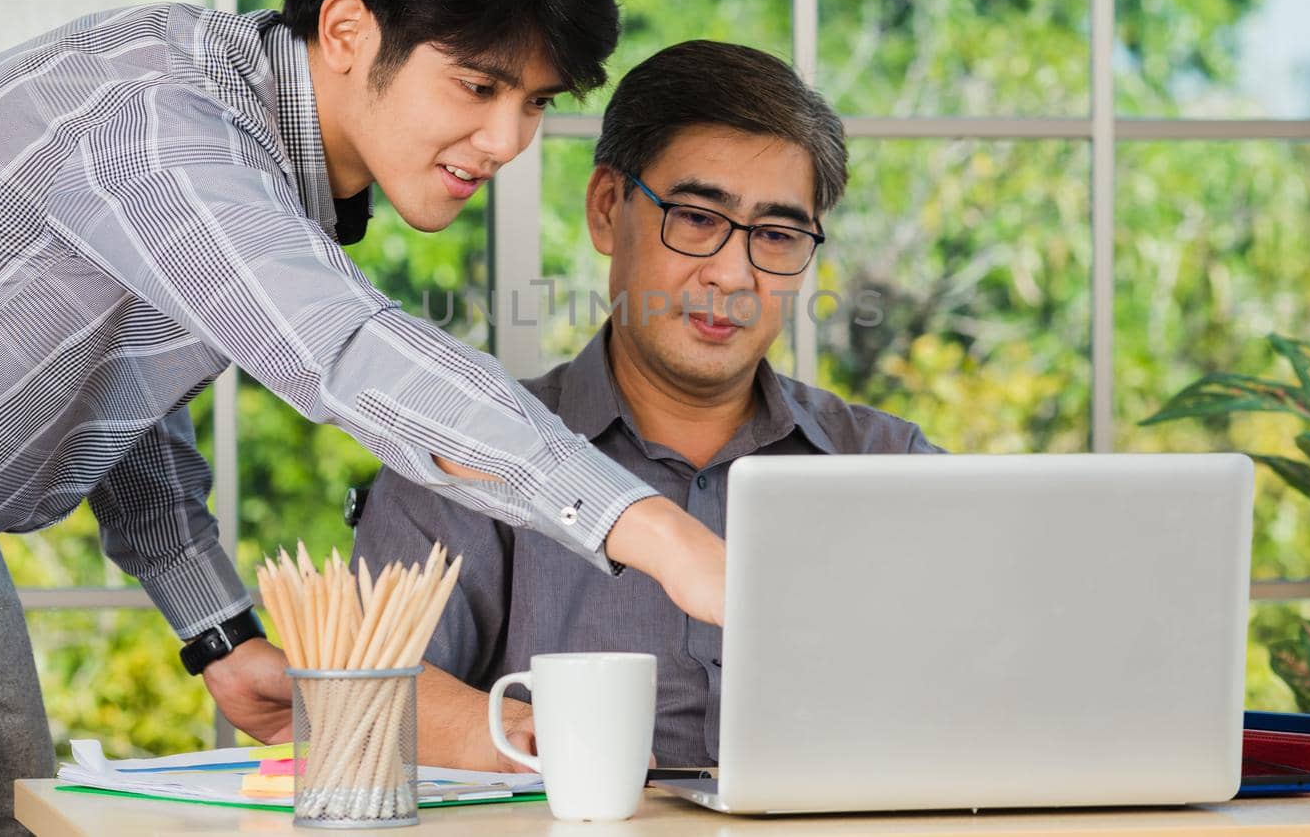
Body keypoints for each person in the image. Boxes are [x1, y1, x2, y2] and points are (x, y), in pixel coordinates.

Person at [0, 0, 725, 836]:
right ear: (348, 30)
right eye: (479, 85)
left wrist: (217, 632)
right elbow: (344, 350)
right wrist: (659, 535)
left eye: (535, 102)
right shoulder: (160, 130)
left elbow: (103, 391)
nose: (507, 140)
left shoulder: (237, 148)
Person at [352, 40, 942, 770]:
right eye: (696, 218)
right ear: (607, 209)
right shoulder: (460, 455)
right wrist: (553, 743)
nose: (733, 273)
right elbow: (362, 694)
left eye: (778, 236)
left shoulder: (893, 468)